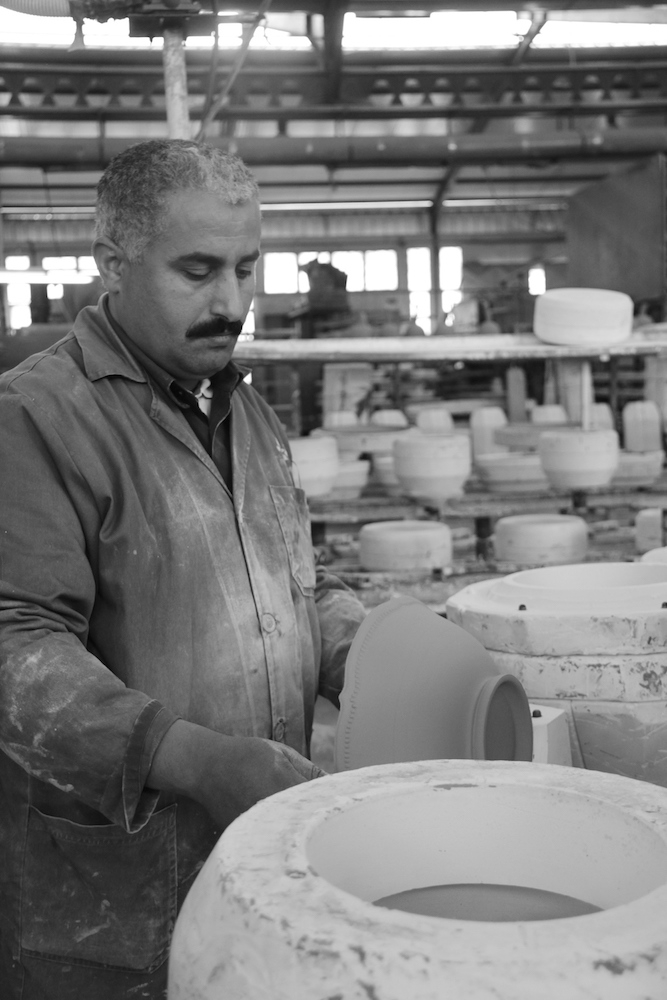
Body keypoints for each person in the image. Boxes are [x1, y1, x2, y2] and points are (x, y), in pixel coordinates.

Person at [0, 138, 367, 1000]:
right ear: (113, 262)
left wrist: (381, 653)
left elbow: (296, 585)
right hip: (114, 888)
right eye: (197, 270)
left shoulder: (246, 415)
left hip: (254, 861)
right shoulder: (38, 419)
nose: (230, 301)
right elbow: (14, 649)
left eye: (247, 268)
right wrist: (195, 759)